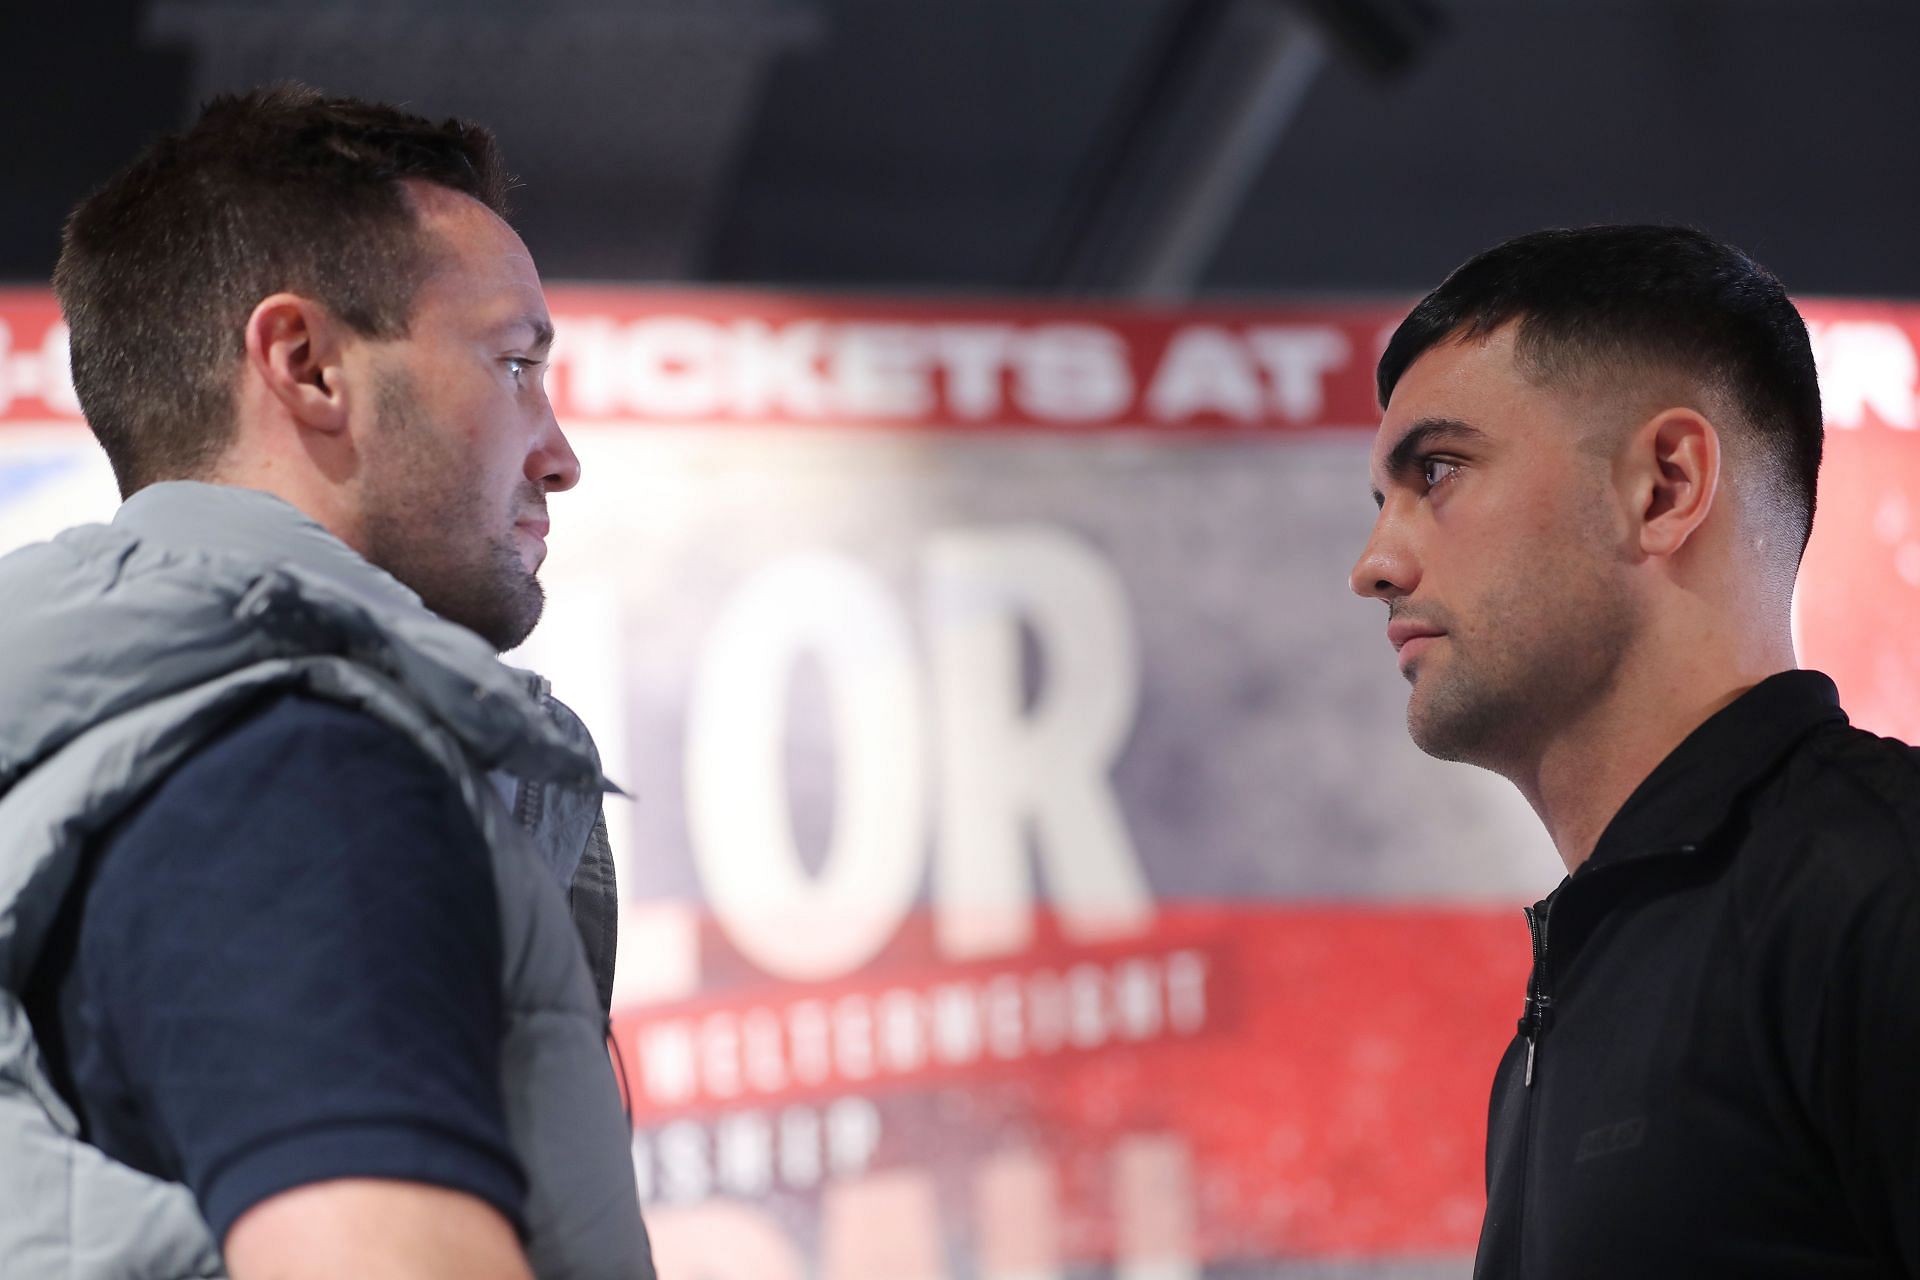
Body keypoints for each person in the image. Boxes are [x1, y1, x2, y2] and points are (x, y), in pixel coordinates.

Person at [0, 85, 653, 1278]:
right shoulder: (297, 769)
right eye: (515, 362)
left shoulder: (101, 754)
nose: (558, 455)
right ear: (303, 364)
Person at [1349, 225, 1920, 1277]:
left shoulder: (1878, 887)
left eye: (1437, 470)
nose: (1375, 563)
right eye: (1380, 501)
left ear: (1663, 484)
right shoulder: (1575, 993)